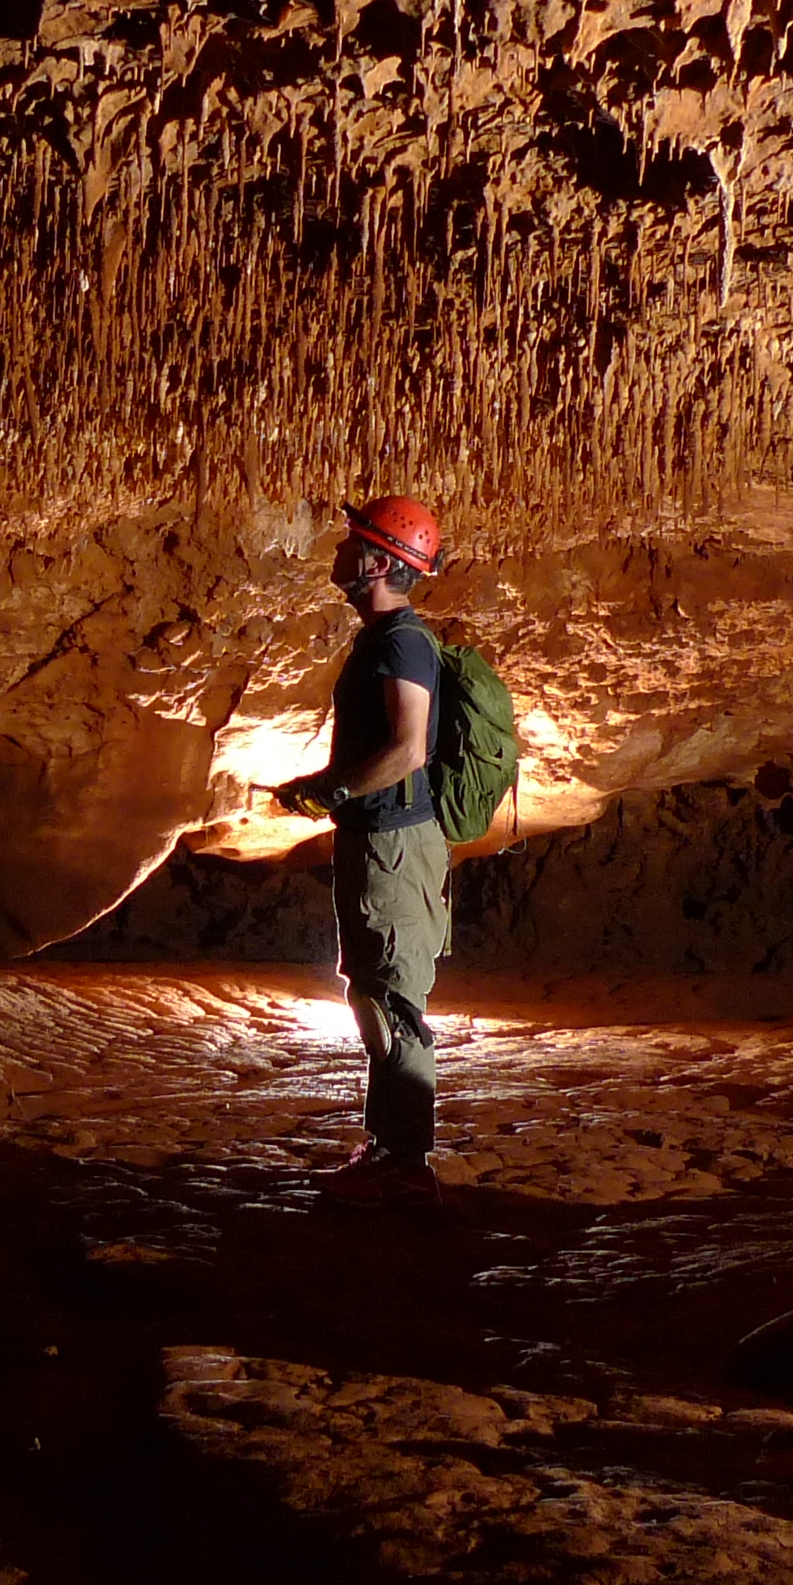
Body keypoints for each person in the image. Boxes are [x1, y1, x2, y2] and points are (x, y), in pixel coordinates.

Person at [269, 495, 453, 1207]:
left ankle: (409, 1167)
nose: (339, 553)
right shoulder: (380, 642)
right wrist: (321, 788)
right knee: (374, 989)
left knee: (394, 1001)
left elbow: (407, 748)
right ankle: (387, 1148)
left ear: (379, 563)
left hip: (393, 845)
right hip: (375, 841)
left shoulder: (404, 643)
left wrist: (333, 795)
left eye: (353, 545)